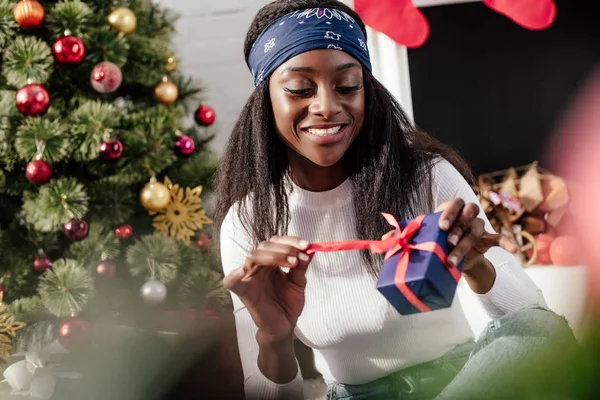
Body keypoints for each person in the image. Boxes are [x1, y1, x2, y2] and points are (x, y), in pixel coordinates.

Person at [214, 1, 576, 399]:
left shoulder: (426, 177)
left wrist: (476, 267)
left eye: (348, 86)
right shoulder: (246, 222)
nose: (327, 107)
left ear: (366, 90)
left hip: (465, 384)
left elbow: (535, 329)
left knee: (543, 331)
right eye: (300, 89)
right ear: (265, 99)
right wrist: (274, 338)